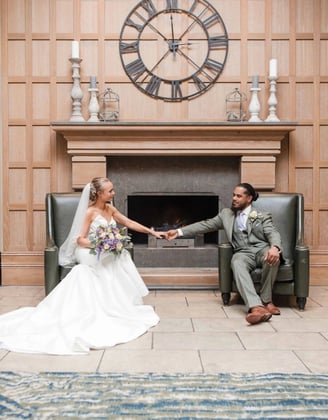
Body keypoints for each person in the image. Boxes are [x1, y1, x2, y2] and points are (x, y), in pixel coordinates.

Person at [0, 177, 163, 355]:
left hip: (103, 248)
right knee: (106, 261)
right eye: (110, 191)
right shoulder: (89, 212)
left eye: (113, 190)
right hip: (88, 250)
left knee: (120, 256)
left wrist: (152, 231)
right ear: (100, 194)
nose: (113, 193)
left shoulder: (110, 208)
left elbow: (129, 223)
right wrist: (101, 244)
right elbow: (80, 239)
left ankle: (116, 305)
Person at [167, 183, 282, 325]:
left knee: (272, 258)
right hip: (243, 252)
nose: (234, 198)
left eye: (239, 196)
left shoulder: (262, 216)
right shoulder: (226, 215)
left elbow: (273, 233)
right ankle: (256, 307)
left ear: (249, 198)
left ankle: (266, 300)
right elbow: (205, 225)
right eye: (234, 195)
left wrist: (275, 247)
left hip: (261, 249)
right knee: (236, 262)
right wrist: (178, 232)